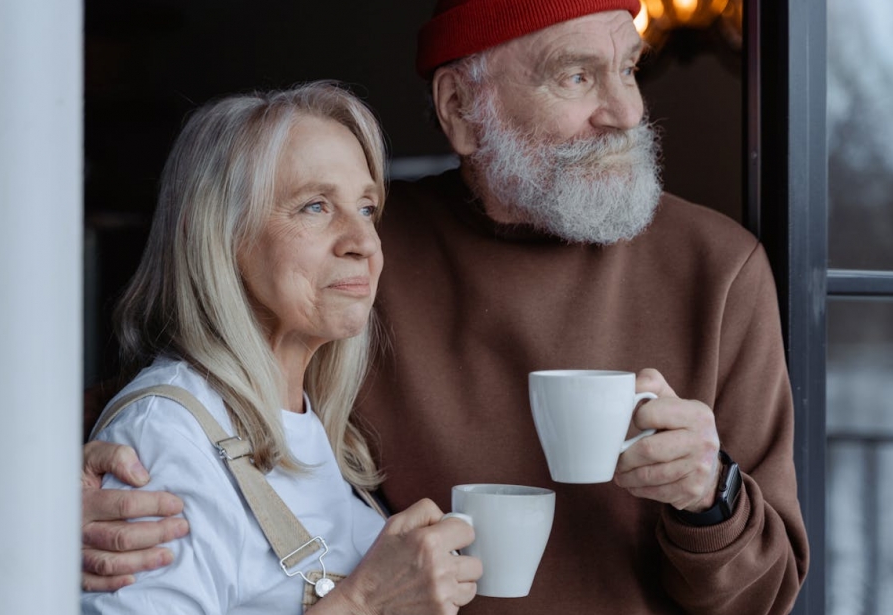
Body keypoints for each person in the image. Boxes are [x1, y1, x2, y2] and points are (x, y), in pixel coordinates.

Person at [81, 1, 810, 613]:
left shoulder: (719, 269)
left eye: (627, 68)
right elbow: (196, 394)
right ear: (461, 109)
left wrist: (709, 496)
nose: (626, 111)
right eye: (578, 74)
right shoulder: (359, 259)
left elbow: (769, 596)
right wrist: (55, 489)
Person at [80, 81, 481, 614]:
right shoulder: (165, 440)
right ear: (220, 235)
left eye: (366, 208)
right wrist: (365, 604)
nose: (362, 241)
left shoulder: (310, 424)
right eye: (315, 206)